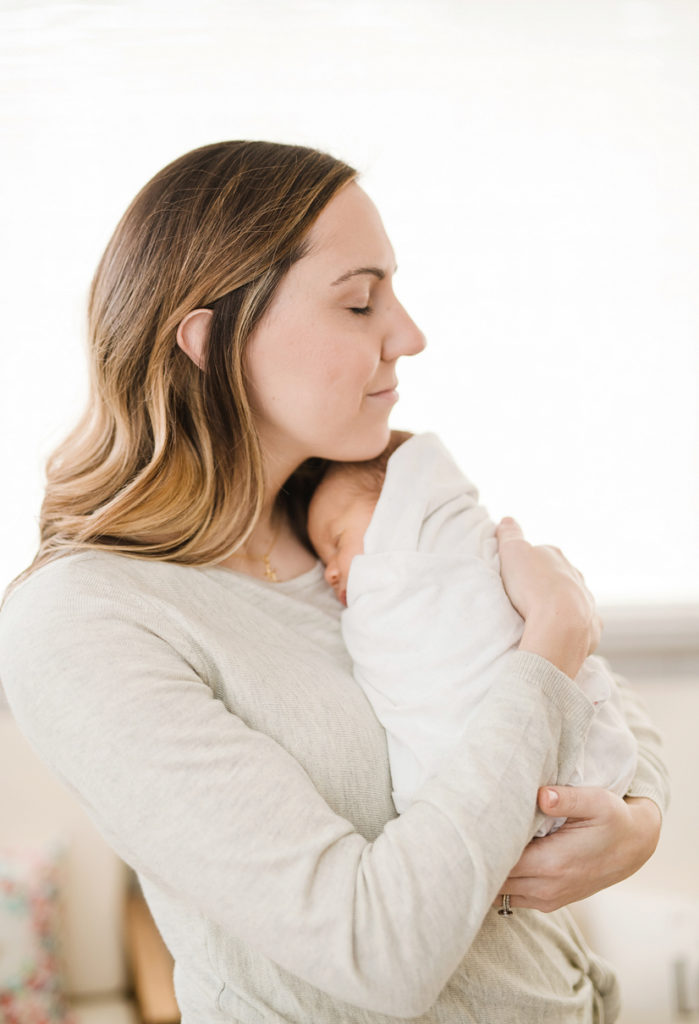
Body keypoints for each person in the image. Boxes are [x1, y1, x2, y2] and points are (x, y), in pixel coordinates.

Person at [0, 141, 668, 1023]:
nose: (409, 335)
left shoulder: (361, 517)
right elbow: (377, 953)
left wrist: (638, 822)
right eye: (358, 301)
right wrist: (549, 644)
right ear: (211, 342)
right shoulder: (84, 622)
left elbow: (598, 697)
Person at [307, 429, 639, 829]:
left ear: (401, 504)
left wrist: (644, 817)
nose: (329, 572)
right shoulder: (374, 610)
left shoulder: (462, 554)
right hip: (471, 807)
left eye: (336, 542)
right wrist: (561, 619)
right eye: (323, 558)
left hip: (519, 793)